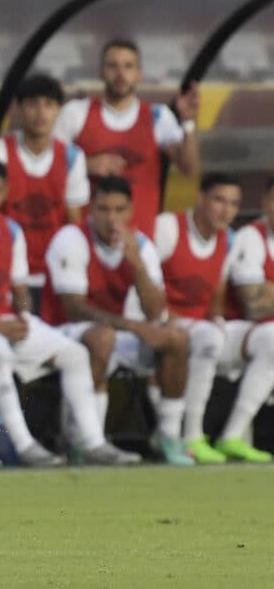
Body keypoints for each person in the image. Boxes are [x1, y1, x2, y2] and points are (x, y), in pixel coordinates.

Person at [0, 159, 139, 466]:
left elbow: (19, 290)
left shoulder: (11, 230)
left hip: (3, 319)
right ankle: (25, 446)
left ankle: (92, 441)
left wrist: (23, 317)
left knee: (76, 354)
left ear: (5, 193)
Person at [42, 176, 193, 465]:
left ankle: (168, 435)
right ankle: (85, 439)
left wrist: (137, 266)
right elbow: (73, 307)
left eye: (119, 210)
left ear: (131, 211)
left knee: (177, 338)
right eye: (103, 209)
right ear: (91, 210)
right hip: (64, 332)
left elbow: (155, 311)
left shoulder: (139, 245)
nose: (111, 219)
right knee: (103, 337)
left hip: (114, 329)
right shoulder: (71, 238)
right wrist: (134, 326)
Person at [53, 38, 200, 236]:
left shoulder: (158, 116)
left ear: (139, 74)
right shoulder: (76, 113)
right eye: (113, 66)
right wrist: (84, 166)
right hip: (88, 243)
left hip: (140, 241)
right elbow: (47, 170)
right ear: (101, 72)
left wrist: (188, 123)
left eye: (128, 66)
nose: (121, 74)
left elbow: (189, 169)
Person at [154, 173, 241, 463]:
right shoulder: (169, 227)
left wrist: (216, 316)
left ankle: (220, 435)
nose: (225, 210)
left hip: (195, 325)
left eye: (233, 204)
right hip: (155, 319)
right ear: (200, 198)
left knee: (214, 336)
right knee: (207, 338)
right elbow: (141, 279)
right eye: (218, 200)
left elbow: (218, 287)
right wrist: (164, 317)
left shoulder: (228, 239)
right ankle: (190, 435)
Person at [0, 74, 88, 303]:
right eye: (32, 104)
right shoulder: (0, 151)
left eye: (48, 104)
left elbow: (74, 223)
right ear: (18, 109)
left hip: (53, 275)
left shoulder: (72, 157)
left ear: (58, 110)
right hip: (9, 274)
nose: (40, 112)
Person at [212, 178, 274, 463]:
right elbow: (253, 306)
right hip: (232, 333)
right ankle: (232, 435)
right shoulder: (252, 237)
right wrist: (263, 296)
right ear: (264, 202)